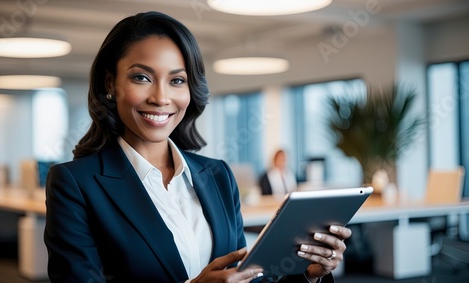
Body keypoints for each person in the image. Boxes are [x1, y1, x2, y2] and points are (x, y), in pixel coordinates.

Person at [44, 11, 352, 283]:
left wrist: (309, 273)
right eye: (142, 77)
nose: (161, 98)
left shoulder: (216, 175)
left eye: (177, 81)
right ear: (110, 84)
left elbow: (248, 276)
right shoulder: (74, 184)